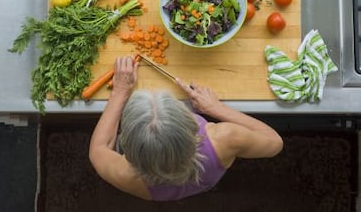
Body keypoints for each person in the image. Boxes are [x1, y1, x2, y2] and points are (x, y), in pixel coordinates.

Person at [89, 55, 283, 201]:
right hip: (206, 177)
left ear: (127, 146)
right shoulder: (226, 138)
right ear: (190, 125)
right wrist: (216, 109)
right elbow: (275, 142)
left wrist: (120, 91)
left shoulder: (124, 174)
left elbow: (98, 148)